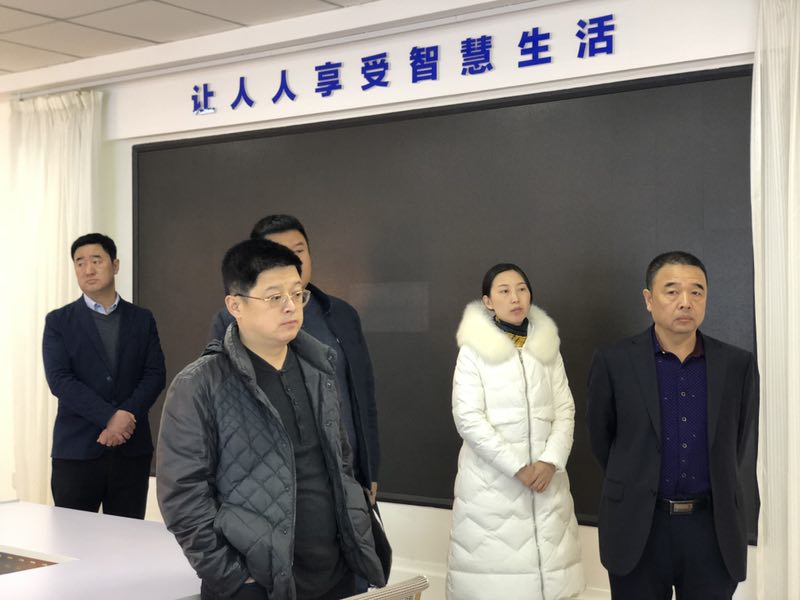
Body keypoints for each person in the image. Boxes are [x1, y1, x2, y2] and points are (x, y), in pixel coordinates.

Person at [157, 238, 385, 600]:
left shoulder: (318, 368)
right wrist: (233, 577)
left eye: (297, 294)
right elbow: (182, 498)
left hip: (335, 574)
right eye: (275, 296)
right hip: (257, 584)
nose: (291, 306)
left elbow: (341, 462)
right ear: (235, 305)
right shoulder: (199, 385)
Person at [587, 251, 759, 600]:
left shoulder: (736, 365)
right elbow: (601, 438)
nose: (685, 302)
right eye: (672, 291)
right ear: (649, 299)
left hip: (711, 529)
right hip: (639, 525)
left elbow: (737, 441)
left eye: (696, 292)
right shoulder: (614, 361)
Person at [208, 215, 380, 506]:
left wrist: (370, 468)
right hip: (269, 484)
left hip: (343, 472)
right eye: (277, 253)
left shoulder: (340, 314)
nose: (291, 261)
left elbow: (363, 395)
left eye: (298, 251)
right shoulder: (231, 321)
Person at [446, 263, 585, 600]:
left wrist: (550, 461)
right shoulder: (474, 351)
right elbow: (468, 417)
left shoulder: (547, 348)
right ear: (488, 301)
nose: (515, 297)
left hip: (548, 487)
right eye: (504, 291)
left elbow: (565, 410)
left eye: (522, 289)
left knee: (554, 584)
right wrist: (518, 467)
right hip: (491, 491)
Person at [42, 233, 166, 518]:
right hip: (77, 450)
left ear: (115, 265)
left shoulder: (142, 319)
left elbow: (155, 374)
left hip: (131, 452)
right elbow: (60, 380)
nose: (88, 269)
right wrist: (110, 418)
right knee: (72, 537)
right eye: (80, 262)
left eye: (96, 260)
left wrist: (126, 415)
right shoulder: (58, 321)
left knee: (126, 537)